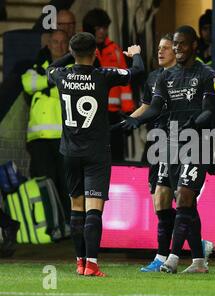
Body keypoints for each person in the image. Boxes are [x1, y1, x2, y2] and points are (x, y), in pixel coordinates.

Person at [121, 25, 215, 273]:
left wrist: (194, 122)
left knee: (184, 196)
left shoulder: (208, 74)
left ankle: (172, 258)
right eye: (174, 44)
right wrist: (136, 120)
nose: (177, 48)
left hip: (198, 142)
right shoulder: (165, 77)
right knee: (184, 201)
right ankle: (198, 260)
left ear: (194, 46)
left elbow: (211, 110)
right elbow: (155, 108)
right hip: (171, 144)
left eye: (182, 44)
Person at [47, 32, 144, 277]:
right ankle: (91, 264)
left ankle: (80, 263)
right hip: (96, 152)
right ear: (96, 53)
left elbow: (51, 67)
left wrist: (71, 53)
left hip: (69, 152)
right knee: (94, 210)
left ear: (72, 51)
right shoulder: (103, 75)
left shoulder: (61, 75)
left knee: (76, 207)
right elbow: (137, 73)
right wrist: (136, 55)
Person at [22, 30, 73, 223]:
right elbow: (27, 83)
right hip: (39, 138)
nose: (59, 46)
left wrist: (44, 87)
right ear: (48, 44)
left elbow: (68, 88)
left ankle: (70, 224)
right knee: (46, 182)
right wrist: (52, 82)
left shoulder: (73, 68)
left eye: (62, 42)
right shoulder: (37, 66)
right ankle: (51, 224)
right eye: (55, 42)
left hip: (64, 136)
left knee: (66, 184)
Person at [82, 8, 135, 162]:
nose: (102, 32)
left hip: (113, 115)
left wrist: (129, 111)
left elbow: (125, 82)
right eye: (98, 28)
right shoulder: (84, 51)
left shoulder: (116, 51)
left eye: (104, 28)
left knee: (116, 158)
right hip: (90, 113)